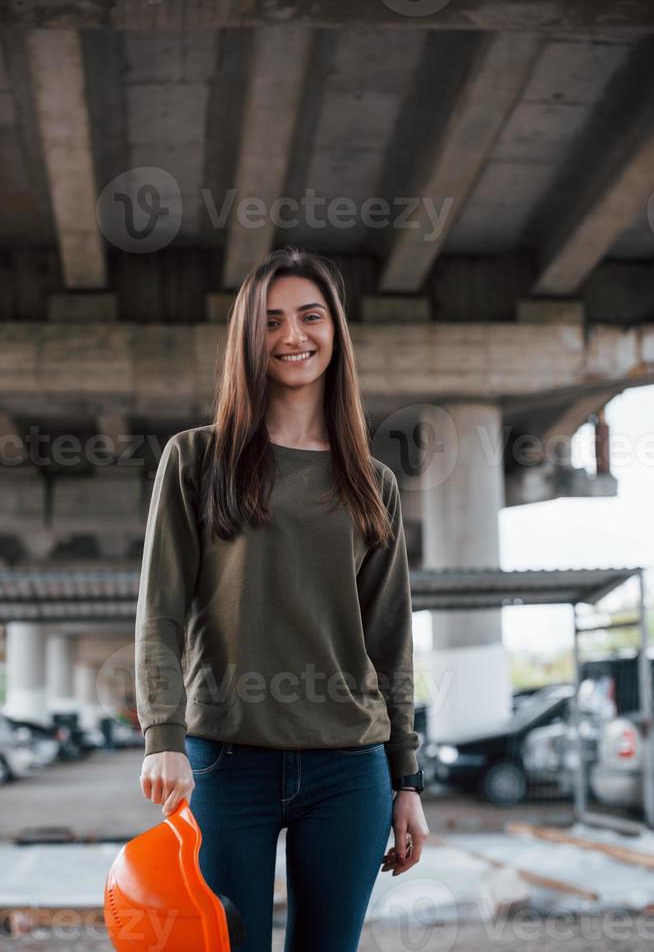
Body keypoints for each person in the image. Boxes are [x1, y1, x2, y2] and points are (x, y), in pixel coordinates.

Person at [135, 246, 429, 952]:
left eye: (310, 317)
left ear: (335, 331)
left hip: (348, 770)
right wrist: (162, 736)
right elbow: (161, 613)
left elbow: (390, 640)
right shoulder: (195, 460)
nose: (292, 337)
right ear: (247, 338)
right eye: (270, 322)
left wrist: (407, 781)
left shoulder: (372, 482)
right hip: (223, 763)